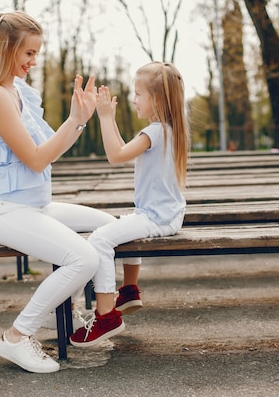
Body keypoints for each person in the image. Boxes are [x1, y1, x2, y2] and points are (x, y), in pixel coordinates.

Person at [0, 11, 116, 374]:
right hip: (6, 212)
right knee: (83, 258)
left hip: (35, 206)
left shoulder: (17, 91)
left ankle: (69, 313)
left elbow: (44, 150)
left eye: (37, 53)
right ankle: (17, 337)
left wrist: (77, 121)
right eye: (28, 54)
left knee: (110, 226)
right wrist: (74, 121)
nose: (34, 62)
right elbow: (36, 160)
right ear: (6, 49)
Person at [69, 62, 190, 347]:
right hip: (165, 215)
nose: (133, 99)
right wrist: (110, 120)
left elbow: (115, 154)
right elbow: (123, 148)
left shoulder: (155, 132)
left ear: (157, 99)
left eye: (138, 94)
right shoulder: (166, 130)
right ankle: (129, 290)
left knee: (99, 240)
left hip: (157, 217)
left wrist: (104, 117)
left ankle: (106, 315)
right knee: (121, 223)